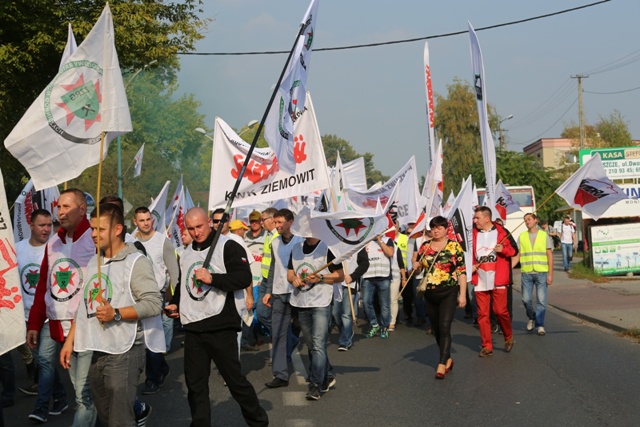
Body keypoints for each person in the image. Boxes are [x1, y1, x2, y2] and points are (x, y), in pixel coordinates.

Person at [60, 203, 164, 426]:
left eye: (100, 229)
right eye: (92, 229)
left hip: (124, 352)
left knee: (120, 420)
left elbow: (154, 303)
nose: (94, 235)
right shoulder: (94, 262)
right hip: (98, 349)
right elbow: (84, 307)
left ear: (117, 229)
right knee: (107, 416)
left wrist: (116, 313)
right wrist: (70, 342)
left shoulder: (136, 262)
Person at [164, 208, 268, 427]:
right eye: (190, 229)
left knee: (234, 381)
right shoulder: (187, 253)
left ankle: (258, 421)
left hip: (221, 325)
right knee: (195, 385)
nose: (196, 232)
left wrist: (212, 278)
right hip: (193, 327)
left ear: (209, 222)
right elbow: (184, 285)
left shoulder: (227, 246)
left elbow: (243, 277)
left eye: (199, 227)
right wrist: (175, 302)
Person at [27, 189, 97, 425]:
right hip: (59, 326)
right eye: (59, 207)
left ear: (82, 209)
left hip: (89, 326)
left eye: (67, 207)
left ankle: (130, 409)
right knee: (84, 391)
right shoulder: (53, 243)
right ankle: (134, 409)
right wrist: (35, 323)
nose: (61, 211)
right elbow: (44, 286)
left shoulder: (95, 238)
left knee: (83, 395)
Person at [288, 235, 344, 400]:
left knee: (319, 344)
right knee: (312, 345)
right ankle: (326, 375)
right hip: (302, 301)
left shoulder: (328, 248)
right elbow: (290, 273)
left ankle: (315, 385)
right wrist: (294, 279)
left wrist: (320, 278)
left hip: (321, 301)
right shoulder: (296, 248)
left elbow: (339, 275)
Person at [132, 207, 180, 395]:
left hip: (156, 295)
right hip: (134, 295)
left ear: (152, 220)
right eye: (141, 220)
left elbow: (174, 272)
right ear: (135, 222)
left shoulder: (162, 242)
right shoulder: (130, 240)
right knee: (139, 338)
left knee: (152, 337)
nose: (146, 223)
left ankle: (153, 378)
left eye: (148, 219)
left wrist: (177, 300)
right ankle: (161, 366)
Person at [415, 216, 467, 379]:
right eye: (433, 228)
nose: (436, 231)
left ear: (446, 229)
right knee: (436, 329)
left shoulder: (454, 247)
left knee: (445, 327)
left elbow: (462, 271)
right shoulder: (425, 246)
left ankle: (441, 362)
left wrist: (463, 294)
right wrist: (415, 267)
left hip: (448, 292)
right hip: (430, 292)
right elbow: (418, 271)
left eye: (439, 228)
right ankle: (448, 357)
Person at [262, 209, 304, 388]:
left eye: (280, 222)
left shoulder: (300, 241)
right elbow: (273, 267)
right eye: (275, 222)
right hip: (279, 292)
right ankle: (280, 374)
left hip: (299, 292)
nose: (277, 226)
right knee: (278, 333)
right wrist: (269, 290)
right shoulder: (275, 242)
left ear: (290, 222)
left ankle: (321, 373)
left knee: (308, 333)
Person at [471, 206, 517, 357]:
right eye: (474, 218)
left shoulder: (502, 232)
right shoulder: (472, 233)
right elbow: (467, 253)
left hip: (498, 278)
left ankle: (508, 336)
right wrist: (470, 265)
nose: (475, 220)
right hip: (480, 279)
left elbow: (514, 251)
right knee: (482, 314)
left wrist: (503, 249)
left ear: (486, 218)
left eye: (477, 218)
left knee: (499, 311)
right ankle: (487, 346)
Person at [16, 209, 52, 397]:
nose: (46, 229)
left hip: (46, 316)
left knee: (46, 360)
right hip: (23, 314)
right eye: (41, 225)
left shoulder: (55, 248)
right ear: (31, 225)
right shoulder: (18, 248)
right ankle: (58, 396)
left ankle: (43, 404)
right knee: (39, 357)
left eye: (49, 225)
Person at [516, 213, 553, 336]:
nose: (527, 222)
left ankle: (540, 325)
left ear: (536, 220)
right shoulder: (521, 237)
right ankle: (532, 317)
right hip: (526, 273)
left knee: (541, 300)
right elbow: (518, 256)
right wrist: (506, 268)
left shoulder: (544, 235)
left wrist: (550, 274)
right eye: (525, 220)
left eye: (529, 219)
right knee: (526, 299)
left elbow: (549, 255)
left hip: (541, 272)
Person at [333, 248, 369, 351]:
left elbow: (365, 264)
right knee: (335, 313)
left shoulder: (358, 246)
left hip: (350, 284)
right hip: (336, 284)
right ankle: (346, 331)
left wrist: (353, 276)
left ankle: (345, 340)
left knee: (346, 314)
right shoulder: (336, 245)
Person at [361, 234, 394, 338]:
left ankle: (384, 326)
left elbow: (390, 253)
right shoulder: (365, 240)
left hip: (383, 275)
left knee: (384, 304)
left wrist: (380, 241)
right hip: (368, 276)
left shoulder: (387, 240)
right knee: (366, 302)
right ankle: (374, 324)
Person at [256, 208, 279, 338]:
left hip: (274, 281)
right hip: (265, 279)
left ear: (271, 219)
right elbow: (266, 258)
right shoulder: (268, 235)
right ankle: (286, 338)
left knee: (265, 312)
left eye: (263, 219)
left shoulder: (277, 237)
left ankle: (285, 338)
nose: (261, 222)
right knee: (261, 313)